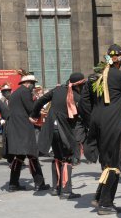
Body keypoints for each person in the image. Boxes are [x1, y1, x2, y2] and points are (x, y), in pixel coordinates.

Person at [79, 44, 121, 215]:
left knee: (107, 162)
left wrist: (93, 119)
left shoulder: (94, 77)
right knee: (114, 163)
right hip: (111, 124)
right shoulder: (120, 76)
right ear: (120, 59)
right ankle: (105, 204)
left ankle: (99, 197)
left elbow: (84, 103)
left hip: (97, 124)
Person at [31, 72, 86, 200]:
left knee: (57, 157)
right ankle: (66, 190)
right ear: (79, 85)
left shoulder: (57, 90)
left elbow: (40, 100)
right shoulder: (78, 96)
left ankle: (56, 188)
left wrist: (34, 115)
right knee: (68, 158)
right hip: (64, 130)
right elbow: (84, 115)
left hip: (51, 128)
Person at [6, 73, 50, 192]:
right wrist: (40, 110)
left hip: (15, 127)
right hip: (23, 127)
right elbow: (31, 108)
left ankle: (13, 184)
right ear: (27, 83)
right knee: (32, 155)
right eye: (33, 83)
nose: (33, 86)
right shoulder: (25, 92)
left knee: (19, 156)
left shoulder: (15, 93)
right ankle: (39, 183)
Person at [0, 83, 12, 162]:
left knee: (17, 141)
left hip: (15, 123)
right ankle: (10, 159)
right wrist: (0, 119)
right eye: (5, 91)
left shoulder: (14, 100)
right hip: (5, 124)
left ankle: (19, 159)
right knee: (7, 141)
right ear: (2, 93)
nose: (7, 93)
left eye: (8, 91)